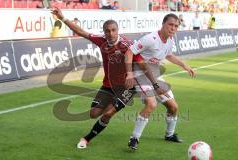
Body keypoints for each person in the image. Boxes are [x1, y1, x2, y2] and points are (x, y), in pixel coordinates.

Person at [51, 8, 136, 149]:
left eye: (113, 30)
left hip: (126, 87)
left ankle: (86, 139)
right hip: (108, 85)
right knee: (93, 113)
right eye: (108, 31)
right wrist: (63, 18)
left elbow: (142, 58)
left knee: (108, 114)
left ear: (118, 30)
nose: (111, 33)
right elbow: (81, 32)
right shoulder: (102, 41)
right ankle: (111, 105)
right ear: (104, 32)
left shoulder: (127, 45)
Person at [127, 13, 195, 150]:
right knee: (151, 104)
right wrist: (129, 74)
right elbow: (129, 52)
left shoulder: (170, 40)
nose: (173, 28)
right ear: (163, 24)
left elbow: (169, 55)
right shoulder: (150, 39)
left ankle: (169, 135)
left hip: (155, 76)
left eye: (176, 26)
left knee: (173, 107)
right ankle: (134, 138)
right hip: (140, 75)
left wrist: (184, 65)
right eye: (170, 25)